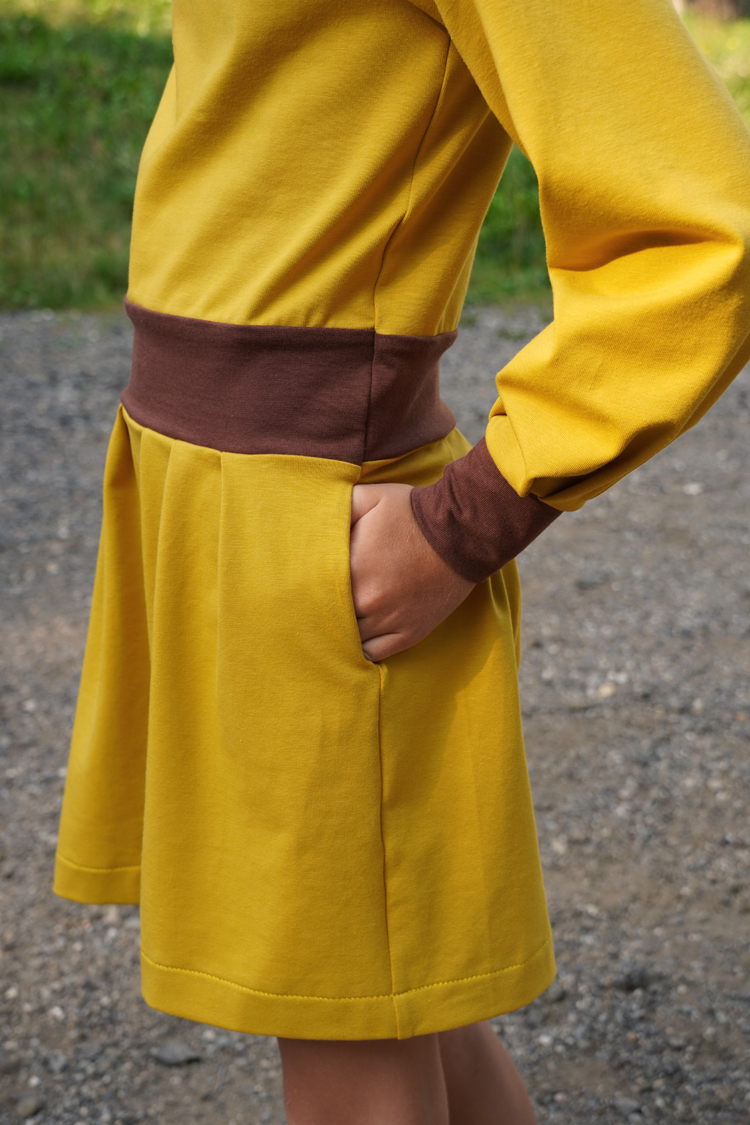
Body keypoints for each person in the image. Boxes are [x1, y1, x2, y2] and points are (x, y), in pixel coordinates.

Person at [53, 0, 750, 1120]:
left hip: (319, 530)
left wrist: (467, 518)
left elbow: (707, 225)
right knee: (397, 1008)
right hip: (203, 493)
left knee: (353, 1044)